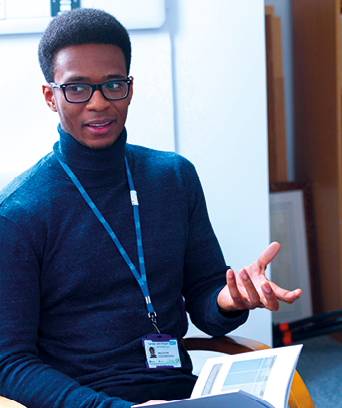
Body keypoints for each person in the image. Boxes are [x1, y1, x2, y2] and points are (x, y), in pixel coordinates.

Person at [0, 8, 302, 408]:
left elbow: (204, 295)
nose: (98, 103)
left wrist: (229, 300)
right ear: (50, 97)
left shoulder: (173, 177)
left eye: (112, 84)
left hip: (180, 394)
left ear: (130, 86)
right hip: (85, 401)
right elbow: (10, 362)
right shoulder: (18, 211)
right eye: (76, 88)